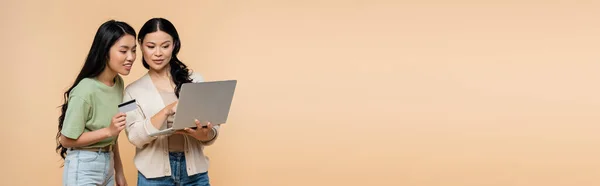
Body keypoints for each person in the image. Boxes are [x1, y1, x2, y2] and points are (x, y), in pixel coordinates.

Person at [123, 18, 218, 186]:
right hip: (153, 178)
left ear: (174, 45)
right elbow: (133, 136)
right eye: (151, 47)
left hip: (196, 176)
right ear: (141, 45)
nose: (158, 53)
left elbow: (213, 130)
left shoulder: (196, 80)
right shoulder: (130, 91)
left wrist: (204, 134)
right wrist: (166, 111)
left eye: (165, 46)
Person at [55, 20, 136, 186]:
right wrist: (108, 131)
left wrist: (119, 172)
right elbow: (65, 140)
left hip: (108, 163)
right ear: (105, 51)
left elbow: (113, 135)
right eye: (123, 51)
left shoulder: (118, 83)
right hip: (84, 166)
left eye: (134, 50)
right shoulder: (85, 89)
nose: (131, 57)